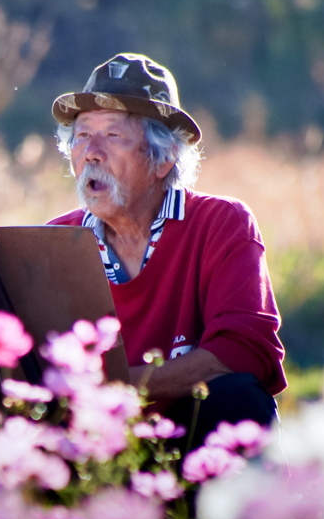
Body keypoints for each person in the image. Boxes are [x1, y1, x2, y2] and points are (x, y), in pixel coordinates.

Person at [47, 53, 286, 451]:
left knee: (237, 397)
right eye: (83, 134)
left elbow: (245, 351)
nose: (91, 151)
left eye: (113, 135)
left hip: (189, 442)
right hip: (93, 451)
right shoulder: (57, 241)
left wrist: (119, 389)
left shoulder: (220, 222)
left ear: (163, 158)